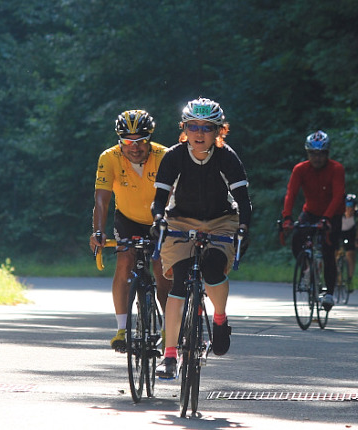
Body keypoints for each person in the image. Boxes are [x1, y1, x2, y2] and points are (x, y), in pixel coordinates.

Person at [151, 98, 251, 379]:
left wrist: (243, 227)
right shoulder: (174, 156)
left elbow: (243, 200)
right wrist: (159, 219)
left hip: (221, 219)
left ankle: (220, 318)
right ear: (184, 129)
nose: (199, 133)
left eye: (207, 128)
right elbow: (159, 199)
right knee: (180, 280)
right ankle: (170, 355)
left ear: (220, 131)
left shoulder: (227, 157)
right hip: (181, 219)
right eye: (193, 126)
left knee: (212, 268)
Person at [89, 109, 171, 352]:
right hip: (128, 218)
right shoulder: (109, 157)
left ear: (149, 141)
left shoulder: (165, 155)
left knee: (161, 267)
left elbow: (175, 196)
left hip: (160, 218)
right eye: (128, 142)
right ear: (119, 141)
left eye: (141, 142)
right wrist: (97, 232)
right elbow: (102, 200)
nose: (134, 148)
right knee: (124, 261)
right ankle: (122, 330)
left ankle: (168, 326)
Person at [281, 130, 345, 310]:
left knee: (328, 250)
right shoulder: (300, 169)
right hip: (310, 211)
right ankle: (307, 270)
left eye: (321, 154)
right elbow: (291, 194)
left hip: (333, 214)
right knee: (296, 240)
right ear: (307, 153)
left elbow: (338, 195)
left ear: (327, 154)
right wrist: (287, 217)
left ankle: (329, 294)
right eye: (313, 154)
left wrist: (326, 218)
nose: (317, 158)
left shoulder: (336, 169)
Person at [339, 193, 358, 293]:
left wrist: (357, 239)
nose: (349, 210)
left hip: (350, 233)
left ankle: (349, 279)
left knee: (350, 254)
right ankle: (337, 277)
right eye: (347, 207)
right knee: (334, 252)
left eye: (351, 208)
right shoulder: (338, 213)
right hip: (339, 232)